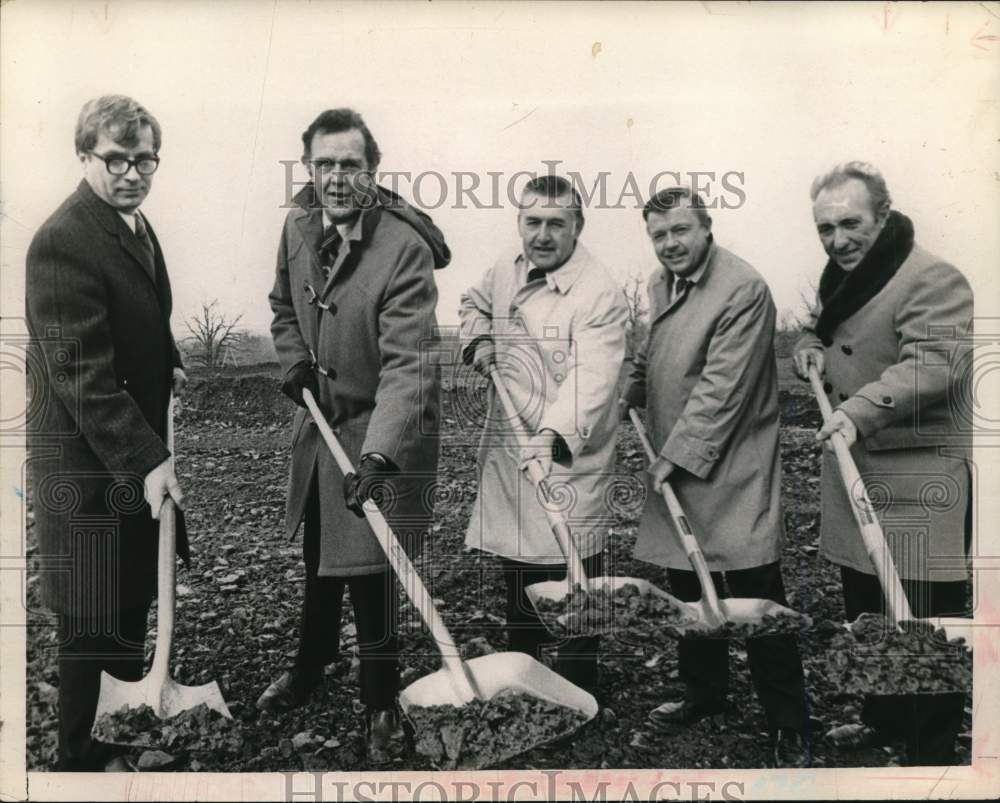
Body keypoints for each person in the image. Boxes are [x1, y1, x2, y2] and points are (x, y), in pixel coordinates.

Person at [261, 108, 449, 762]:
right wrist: (293, 363)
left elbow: (412, 363)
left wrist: (378, 453)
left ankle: (379, 701)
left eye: (350, 164)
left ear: (371, 169)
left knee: (372, 571)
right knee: (320, 556)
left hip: (381, 430)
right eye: (324, 164)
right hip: (320, 426)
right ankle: (311, 667)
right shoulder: (295, 224)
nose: (337, 177)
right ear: (308, 166)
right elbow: (284, 306)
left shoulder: (404, 247)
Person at [621, 187, 810, 768]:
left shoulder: (742, 288)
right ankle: (706, 695)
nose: (669, 244)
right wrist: (630, 386)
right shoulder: (660, 285)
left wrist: (674, 456)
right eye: (659, 235)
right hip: (677, 463)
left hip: (732, 466)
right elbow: (650, 352)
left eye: (680, 231)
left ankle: (790, 721)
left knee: (755, 594)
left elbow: (721, 390)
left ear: (707, 227)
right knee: (687, 590)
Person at [793, 161, 974, 765]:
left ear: (884, 215)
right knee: (869, 612)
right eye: (825, 228)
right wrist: (807, 346)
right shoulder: (843, 279)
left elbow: (933, 364)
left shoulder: (932, 278)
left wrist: (860, 409)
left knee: (922, 625)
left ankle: (931, 750)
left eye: (851, 223)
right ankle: (884, 721)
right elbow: (829, 334)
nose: (838, 240)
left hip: (917, 483)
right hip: (858, 475)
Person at [26, 95, 187, 771]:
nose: (133, 172)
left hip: (124, 461)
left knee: (126, 599)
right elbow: (80, 371)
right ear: (85, 155)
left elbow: (135, 320)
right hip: (88, 471)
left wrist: (170, 357)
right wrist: (148, 459)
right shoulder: (65, 238)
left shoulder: (132, 225)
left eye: (145, 157)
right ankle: (78, 760)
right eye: (117, 158)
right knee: (91, 618)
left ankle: (114, 739)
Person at [459, 174, 628, 696]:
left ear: (578, 226)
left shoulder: (599, 293)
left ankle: (580, 690)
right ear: (519, 223)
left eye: (557, 223)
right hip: (514, 453)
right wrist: (478, 341)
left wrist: (552, 435)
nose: (543, 234)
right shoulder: (505, 270)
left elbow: (592, 379)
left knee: (577, 578)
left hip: (569, 454)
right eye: (533, 222)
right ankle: (528, 683)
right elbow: (472, 303)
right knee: (520, 578)